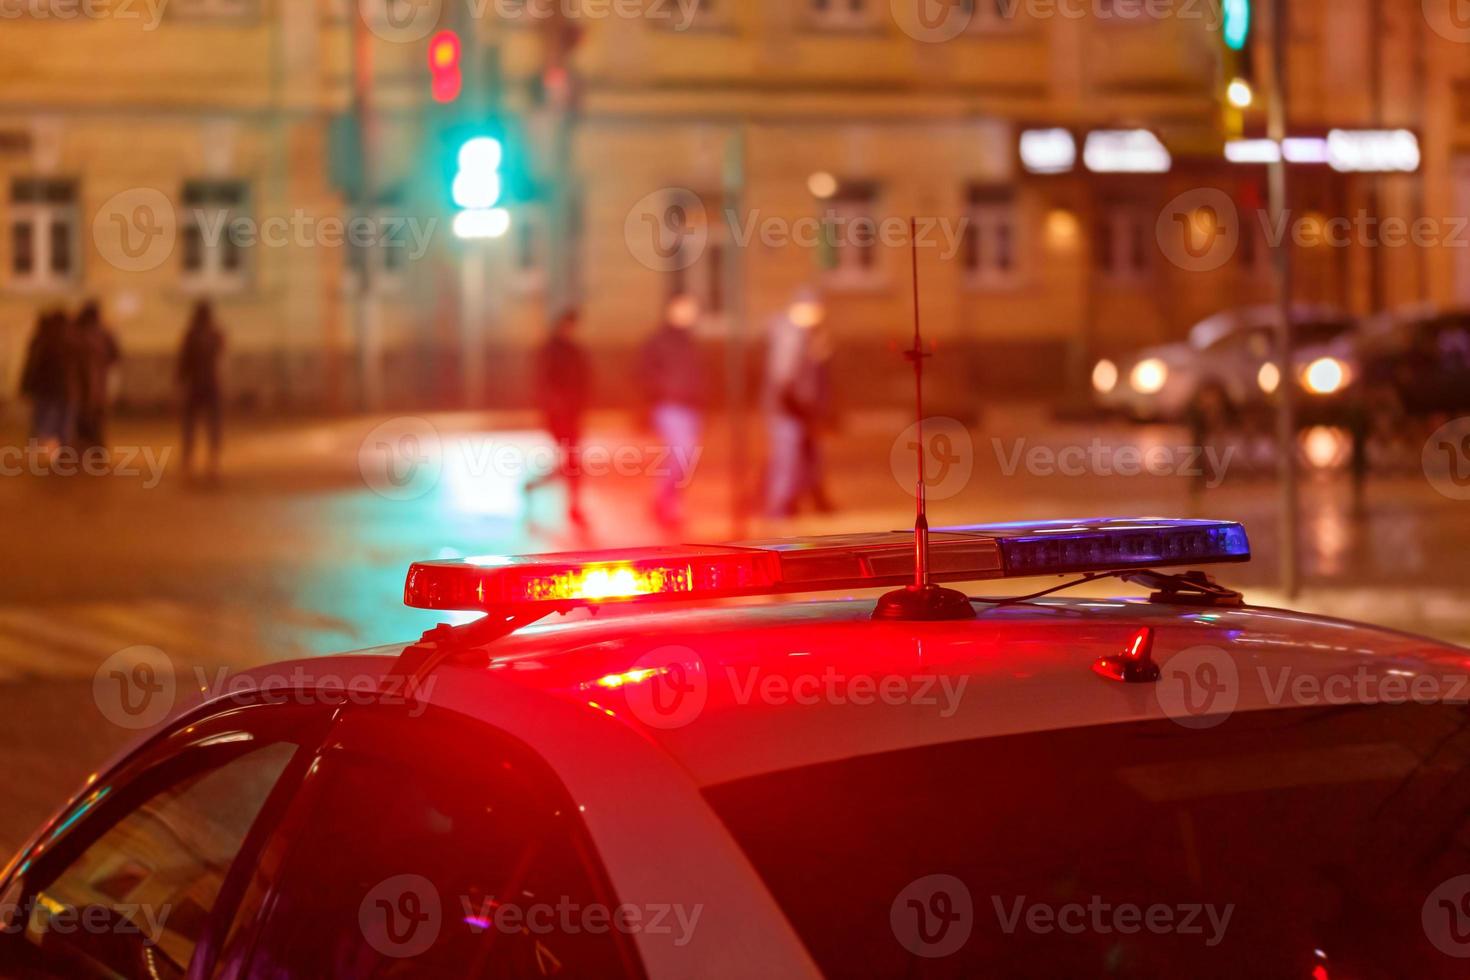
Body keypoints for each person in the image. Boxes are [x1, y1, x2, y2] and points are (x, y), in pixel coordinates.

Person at [764, 290, 835, 517]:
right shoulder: (790, 335)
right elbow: (784, 376)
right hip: (789, 408)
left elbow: (817, 377)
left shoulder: (806, 335)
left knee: (801, 457)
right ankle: (780, 506)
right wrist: (793, 403)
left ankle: (792, 501)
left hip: (800, 408)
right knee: (788, 458)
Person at [639, 294, 706, 530]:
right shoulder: (660, 340)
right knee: (681, 453)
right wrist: (660, 393)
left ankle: (666, 500)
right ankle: (666, 502)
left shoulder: (690, 340)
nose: (690, 313)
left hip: (690, 407)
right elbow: (645, 372)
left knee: (684, 458)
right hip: (670, 406)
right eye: (684, 307)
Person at [524, 309, 591, 526]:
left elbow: (584, 381)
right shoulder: (550, 351)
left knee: (571, 464)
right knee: (570, 464)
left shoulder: (575, 351)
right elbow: (543, 384)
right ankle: (540, 489)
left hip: (573, 415)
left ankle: (571, 504)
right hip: (559, 417)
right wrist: (554, 409)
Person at [177, 300, 226, 480]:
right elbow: (221, 352)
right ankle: (213, 461)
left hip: (195, 384)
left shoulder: (191, 334)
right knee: (213, 423)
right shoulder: (215, 333)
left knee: (191, 424)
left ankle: (188, 460)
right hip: (211, 383)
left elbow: (184, 360)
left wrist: (180, 380)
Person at [19, 310, 76, 459]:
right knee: (63, 418)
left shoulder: (43, 339)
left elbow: (32, 365)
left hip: (45, 387)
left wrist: (26, 385)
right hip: (67, 387)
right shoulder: (71, 339)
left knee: (45, 416)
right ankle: (60, 448)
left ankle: (48, 445)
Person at [72, 301, 120, 453]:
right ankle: (96, 448)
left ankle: (83, 447)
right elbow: (115, 355)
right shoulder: (103, 332)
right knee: (96, 415)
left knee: (81, 415)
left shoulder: (75, 332)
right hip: (97, 381)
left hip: (79, 381)